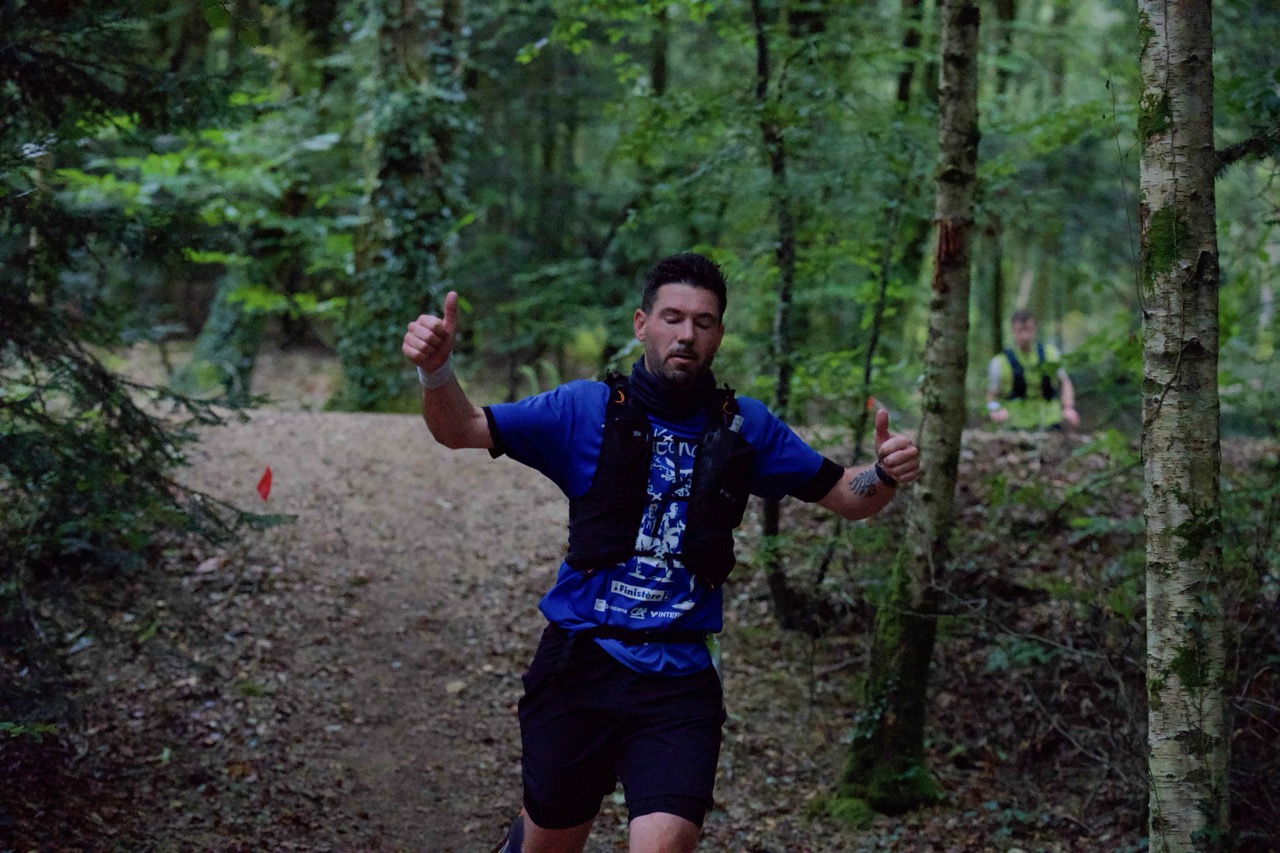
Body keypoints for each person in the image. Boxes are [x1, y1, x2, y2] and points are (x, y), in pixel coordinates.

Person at [401, 252, 920, 853]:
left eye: (703, 322)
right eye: (673, 317)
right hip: (582, 663)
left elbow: (846, 495)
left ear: (718, 334)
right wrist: (437, 371)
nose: (687, 334)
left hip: (680, 677)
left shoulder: (744, 426)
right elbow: (461, 428)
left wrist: (885, 473)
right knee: (549, 843)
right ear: (641, 323)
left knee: (666, 842)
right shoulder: (584, 410)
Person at [985, 308, 1080, 431]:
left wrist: (1068, 408)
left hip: (1051, 421)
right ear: (1013, 331)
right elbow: (992, 395)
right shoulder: (999, 362)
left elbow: (1065, 382)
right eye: (1020, 330)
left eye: (1028, 330)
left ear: (1034, 329)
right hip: (1015, 425)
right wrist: (995, 410)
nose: (1025, 336)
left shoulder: (1051, 354)